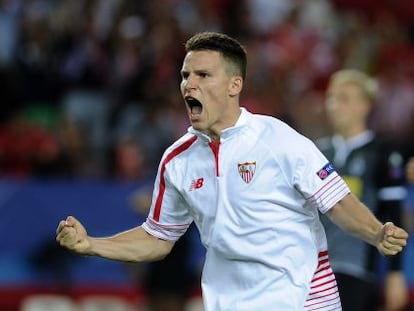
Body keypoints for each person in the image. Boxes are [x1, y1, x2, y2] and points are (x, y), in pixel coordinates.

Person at [56, 32, 409, 311]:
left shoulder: (279, 139)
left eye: (203, 75)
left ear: (234, 85)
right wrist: (91, 245)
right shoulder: (177, 160)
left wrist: (377, 234)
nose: (188, 84)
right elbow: (157, 238)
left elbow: (338, 203)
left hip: (303, 301)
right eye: (185, 75)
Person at [316, 69, 409, 311]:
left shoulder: (383, 153)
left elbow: (393, 214)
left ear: (364, 106)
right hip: (310, 267)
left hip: (355, 267)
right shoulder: (315, 152)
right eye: (331, 97)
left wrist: (395, 274)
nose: (334, 105)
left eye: (344, 98)